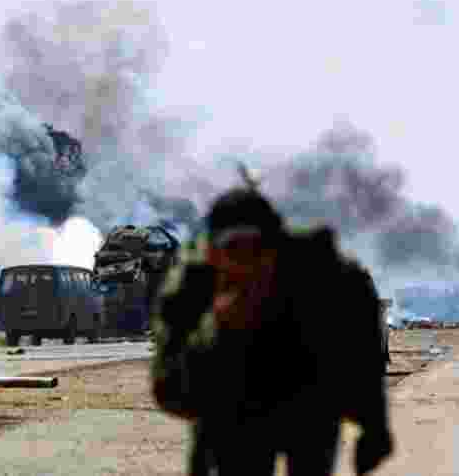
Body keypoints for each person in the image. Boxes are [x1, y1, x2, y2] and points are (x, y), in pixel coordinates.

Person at [150, 187, 393, 475]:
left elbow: (362, 349)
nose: (246, 264)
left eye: (256, 249)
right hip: (236, 399)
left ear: (276, 247)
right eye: (234, 250)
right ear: (213, 253)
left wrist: (373, 426)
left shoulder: (324, 271)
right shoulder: (192, 282)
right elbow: (168, 388)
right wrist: (215, 330)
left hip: (308, 392)